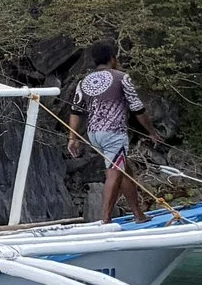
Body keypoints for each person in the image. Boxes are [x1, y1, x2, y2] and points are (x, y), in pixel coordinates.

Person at [66, 40, 158, 221]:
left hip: (94, 135)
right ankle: (105, 219)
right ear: (112, 58)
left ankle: (138, 214)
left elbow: (75, 111)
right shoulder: (122, 77)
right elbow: (137, 108)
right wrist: (151, 131)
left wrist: (72, 137)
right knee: (114, 175)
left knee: (125, 172)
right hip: (114, 134)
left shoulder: (84, 82)